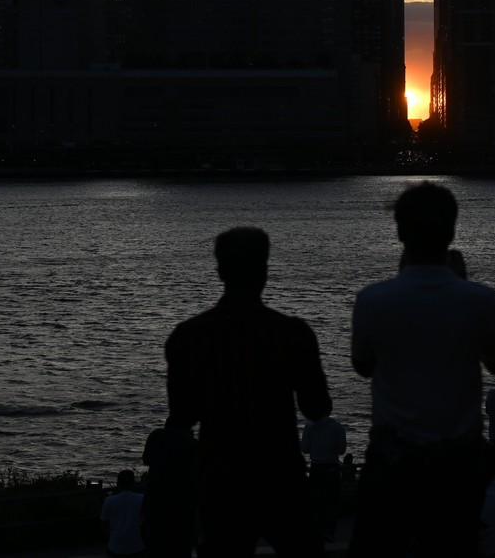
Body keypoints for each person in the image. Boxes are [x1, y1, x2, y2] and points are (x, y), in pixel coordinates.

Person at [349, 182, 495, 558]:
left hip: (391, 458)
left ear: (400, 233)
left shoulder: (372, 300)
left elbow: (362, 366)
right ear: (452, 231)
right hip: (457, 464)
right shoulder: (481, 300)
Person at [165, 227, 331, 558]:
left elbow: (182, 416)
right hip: (280, 474)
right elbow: (316, 408)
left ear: (220, 271)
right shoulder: (292, 333)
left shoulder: (189, 336)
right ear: (264, 270)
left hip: (221, 477)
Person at [141, 419, 197, 558]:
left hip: (155, 503)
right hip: (182, 507)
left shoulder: (156, 436)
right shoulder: (191, 443)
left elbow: (146, 460)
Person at [300, 415, 347, 541]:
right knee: (333, 500)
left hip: (316, 467)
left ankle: (317, 529)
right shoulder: (338, 427)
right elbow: (342, 450)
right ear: (330, 410)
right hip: (333, 466)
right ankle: (329, 531)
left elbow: (304, 449)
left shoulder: (309, 426)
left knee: (316, 499)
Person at [101, 469, 146, 557]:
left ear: (118, 483)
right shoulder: (141, 499)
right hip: (137, 547)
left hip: (115, 547)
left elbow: (104, 526)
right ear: (133, 483)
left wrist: (111, 539)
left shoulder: (109, 501)